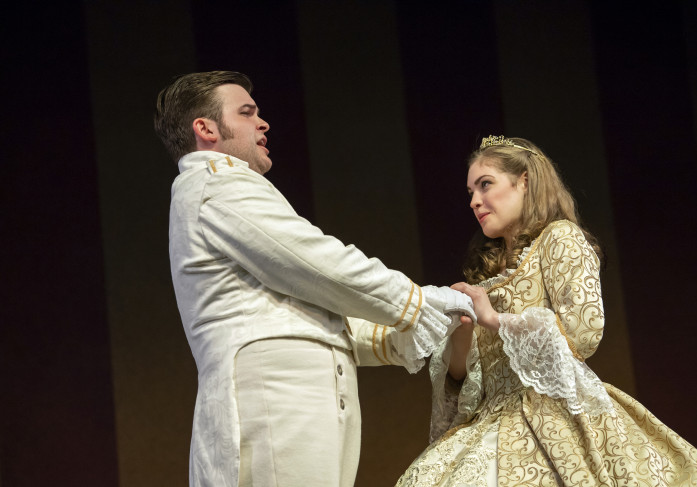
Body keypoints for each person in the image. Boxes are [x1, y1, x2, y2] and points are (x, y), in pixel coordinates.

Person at [153, 70, 478, 487]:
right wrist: (419, 303)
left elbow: (309, 307)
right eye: (247, 112)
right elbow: (315, 262)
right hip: (276, 394)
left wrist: (413, 327)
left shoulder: (227, 186)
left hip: (296, 395)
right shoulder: (216, 183)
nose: (262, 123)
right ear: (206, 128)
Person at [395, 135, 697, 486]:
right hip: (491, 418)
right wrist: (462, 330)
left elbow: (582, 334)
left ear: (524, 180)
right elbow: (465, 381)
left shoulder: (560, 238)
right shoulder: (485, 275)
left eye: (485, 185)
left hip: (552, 415)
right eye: (470, 193)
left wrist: (494, 319)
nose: (475, 201)